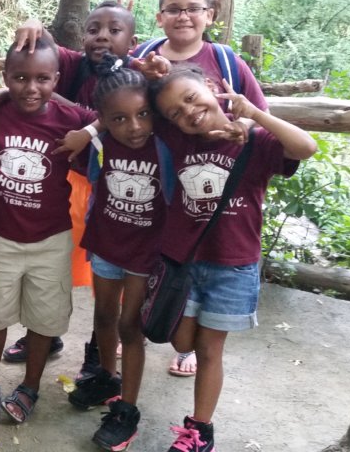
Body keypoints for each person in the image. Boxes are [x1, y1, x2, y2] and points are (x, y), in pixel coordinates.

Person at [149, 66, 316, 452]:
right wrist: (155, 71)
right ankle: (188, 368)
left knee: (211, 350)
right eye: (176, 112)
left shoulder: (256, 142)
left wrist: (254, 115)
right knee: (180, 339)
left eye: (191, 98)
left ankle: (199, 430)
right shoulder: (179, 138)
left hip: (233, 266)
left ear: (211, 87)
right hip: (185, 262)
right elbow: (136, 103)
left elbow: (306, 147)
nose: (188, 112)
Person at [137, 0, 270, 377]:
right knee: (164, 258)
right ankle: (162, 315)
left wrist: (241, 126)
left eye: (193, 8)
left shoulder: (227, 61)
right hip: (155, 174)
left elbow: (257, 113)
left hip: (216, 178)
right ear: (159, 17)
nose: (184, 16)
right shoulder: (142, 57)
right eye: (174, 9)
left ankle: (190, 349)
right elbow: (119, 101)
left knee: (200, 245)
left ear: (210, 15)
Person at [3, 0, 140, 376]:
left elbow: (122, 118)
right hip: (72, 183)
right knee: (54, 266)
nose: (102, 37)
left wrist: (88, 129)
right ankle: (44, 335)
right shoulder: (75, 64)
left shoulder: (137, 75)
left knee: (107, 276)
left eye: (114, 31)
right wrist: (32, 20)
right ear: (83, 38)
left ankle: (99, 348)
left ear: (132, 42)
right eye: (94, 30)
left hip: (117, 190)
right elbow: (41, 42)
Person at [0, 35, 97, 425]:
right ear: (5, 77)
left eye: (43, 79)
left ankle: (30, 386)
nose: (31, 88)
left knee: (45, 320)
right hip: (2, 238)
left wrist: (88, 134)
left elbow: (112, 115)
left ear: (56, 79)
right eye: (20, 78)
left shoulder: (70, 119)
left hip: (52, 240)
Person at [68, 62, 165, 450]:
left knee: (130, 325)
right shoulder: (100, 143)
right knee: (104, 316)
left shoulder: (166, 143)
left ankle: (127, 409)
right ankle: (108, 378)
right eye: (120, 118)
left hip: (144, 251)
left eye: (143, 114)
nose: (135, 126)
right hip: (107, 242)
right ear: (104, 120)